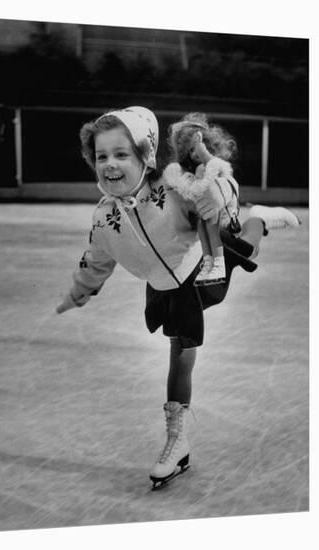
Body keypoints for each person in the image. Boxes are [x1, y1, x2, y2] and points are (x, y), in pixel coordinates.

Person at [55, 106, 300, 489]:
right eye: (101, 156)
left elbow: (223, 188)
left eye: (122, 154)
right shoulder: (103, 218)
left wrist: (216, 200)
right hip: (164, 288)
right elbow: (96, 260)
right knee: (181, 353)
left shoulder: (171, 189)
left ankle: (261, 218)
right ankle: (178, 440)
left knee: (247, 250)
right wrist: (79, 291)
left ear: (146, 156)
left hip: (202, 268)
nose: (110, 164)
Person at [166, 112, 240, 286]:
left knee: (213, 230)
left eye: (199, 146)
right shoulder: (196, 170)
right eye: (191, 150)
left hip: (223, 216)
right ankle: (208, 264)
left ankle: (218, 265)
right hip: (206, 213)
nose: (195, 152)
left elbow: (225, 178)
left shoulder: (215, 164)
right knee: (203, 228)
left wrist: (202, 150)